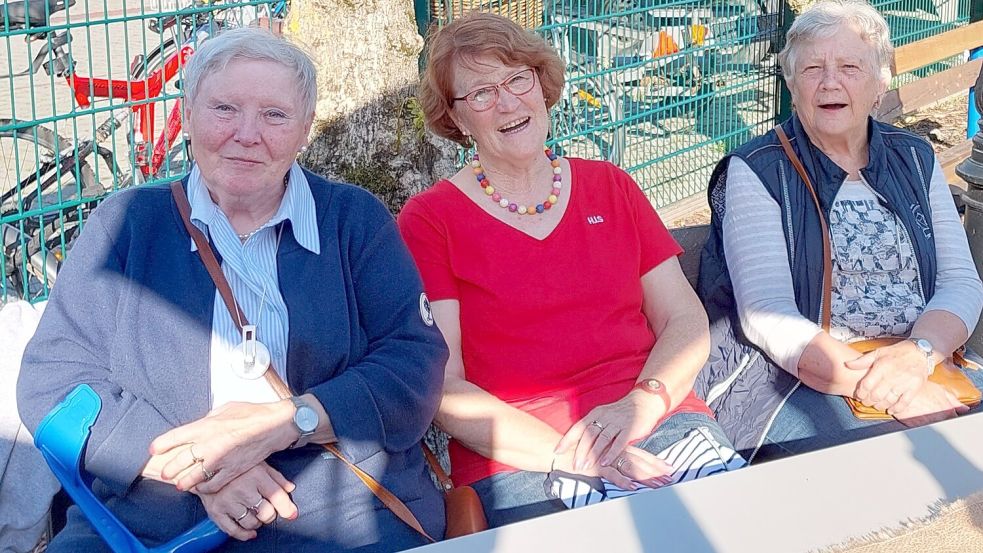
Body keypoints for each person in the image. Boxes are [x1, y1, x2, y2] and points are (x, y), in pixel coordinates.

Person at [17, 27, 447, 552]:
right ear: (190, 112)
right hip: (155, 505)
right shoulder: (127, 224)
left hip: (336, 507)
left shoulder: (353, 220)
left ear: (305, 128)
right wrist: (203, 471)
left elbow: (413, 364)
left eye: (274, 115)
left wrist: (291, 421)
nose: (247, 134)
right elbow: (54, 377)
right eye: (224, 108)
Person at [398, 12, 738, 529]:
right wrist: (577, 454)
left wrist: (639, 409)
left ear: (541, 84)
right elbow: (443, 389)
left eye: (518, 78)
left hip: (656, 418)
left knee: (733, 528)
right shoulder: (431, 221)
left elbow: (685, 322)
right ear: (458, 119)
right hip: (524, 453)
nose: (508, 101)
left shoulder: (611, 186)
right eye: (481, 93)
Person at [696, 0, 983, 462]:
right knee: (888, 461)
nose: (830, 81)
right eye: (812, 68)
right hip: (790, 380)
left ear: (881, 81)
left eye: (850, 66)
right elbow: (769, 316)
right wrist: (894, 391)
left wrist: (920, 354)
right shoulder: (755, 170)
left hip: (919, 361)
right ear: (791, 84)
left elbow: (960, 282)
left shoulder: (915, 157)